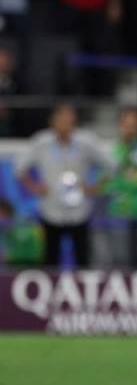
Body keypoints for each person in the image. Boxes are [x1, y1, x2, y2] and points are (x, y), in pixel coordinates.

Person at [15, 104, 114, 268]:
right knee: (50, 258)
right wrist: (35, 187)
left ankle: (84, 291)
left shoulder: (85, 142)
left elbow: (110, 165)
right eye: (61, 120)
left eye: (69, 120)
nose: (65, 124)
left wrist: (94, 187)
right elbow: (19, 168)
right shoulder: (42, 142)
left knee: (82, 258)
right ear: (52, 122)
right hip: (51, 209)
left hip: (79, 211)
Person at [104, 108, 137, 268]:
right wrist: (127, 178)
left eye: (133, 125)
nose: (130, 129)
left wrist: (121, 180)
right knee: (120, 262)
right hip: (119, 212)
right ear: (120, 126)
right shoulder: (113, 151)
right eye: (126, 125)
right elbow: (106, 183)